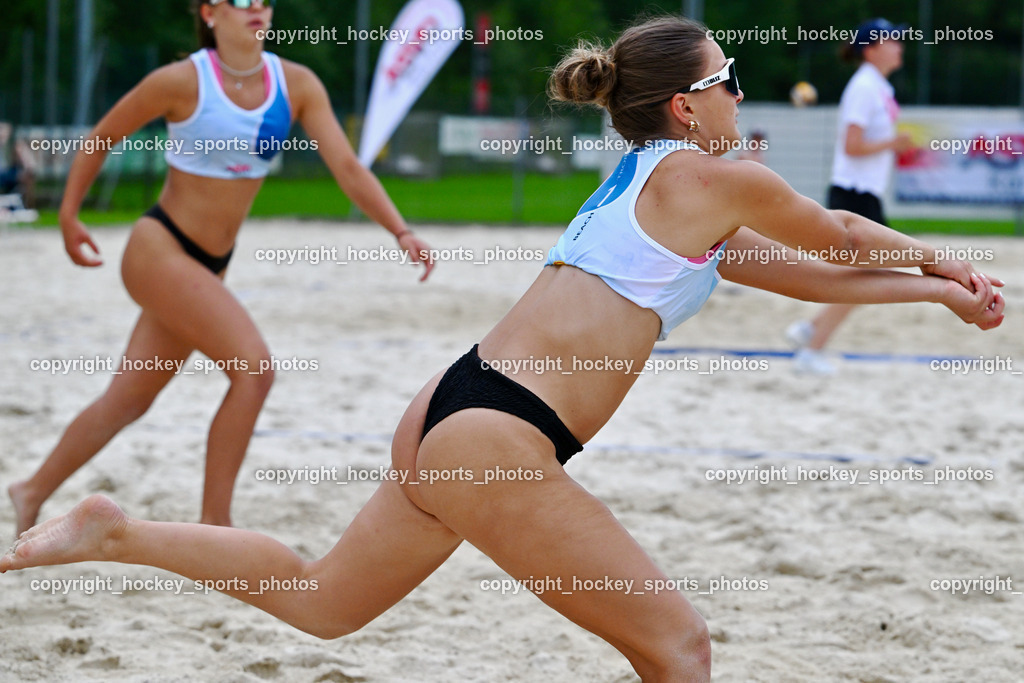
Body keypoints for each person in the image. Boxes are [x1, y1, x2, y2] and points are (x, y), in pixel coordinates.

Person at [2, 16, 1004, 682]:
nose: (740, 95)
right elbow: (833, 229)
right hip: (499, 433)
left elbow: (818, 275)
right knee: (682, 646)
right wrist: (944, 259)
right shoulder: (708, 177)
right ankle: (108, 527)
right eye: (728, 78)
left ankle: (115, 529)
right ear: (686, 103)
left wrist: (937, 290)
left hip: (454, 405)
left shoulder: (658, 188)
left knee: (320, 598)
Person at [7, 0, 435, 536]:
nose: (256, 8)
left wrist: (400, 230)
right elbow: (102, 137)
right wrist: (69, 214)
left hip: (211, 265)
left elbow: (347, 167)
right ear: (210, 13)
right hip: (160, 248)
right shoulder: (182, 81)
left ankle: (30, 490)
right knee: (254, 370)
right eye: (241, 0)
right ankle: (216, 523)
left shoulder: (295, 83)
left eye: (264, 0)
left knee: (128, 398)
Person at [786, 18, 915, 374]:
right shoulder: (864, 87)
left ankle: (812, 332)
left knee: (866, 272)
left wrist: (892, 147)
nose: (900, 45)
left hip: (864, 193)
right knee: (868, 273)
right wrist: (894, 143)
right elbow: (852, 145)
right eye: (893, 40)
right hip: (854, 194)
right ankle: (811, 346)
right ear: (870, 49)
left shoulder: (879, 87)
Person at [0, 121, 37, 209]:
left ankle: (27, 205)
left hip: (9, 174)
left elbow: (30, 164)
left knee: (28, 177)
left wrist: (27, 170)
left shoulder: (16, 145)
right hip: (4, 174)